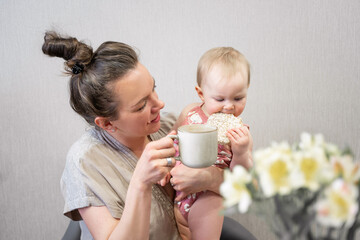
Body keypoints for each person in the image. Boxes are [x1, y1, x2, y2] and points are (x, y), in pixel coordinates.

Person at [42, 31, 226, 240]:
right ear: (107, 123)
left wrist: (212, 178)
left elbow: (246, 186)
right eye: (141, 106)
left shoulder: (170, 127)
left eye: (153, 89)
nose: (160, 104)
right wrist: (141, 183)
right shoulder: (85, 163)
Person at [167, 47, 253, 240]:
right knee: (181, 234)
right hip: (180, 191)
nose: (229, 106)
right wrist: (166, 166)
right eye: (220, 99)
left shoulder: (241, 133)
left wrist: (240, 152)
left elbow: (242, 177)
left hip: (209, 196)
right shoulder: (189, 113)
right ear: (201, 93)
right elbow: (172, 138)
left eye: (238, 98)